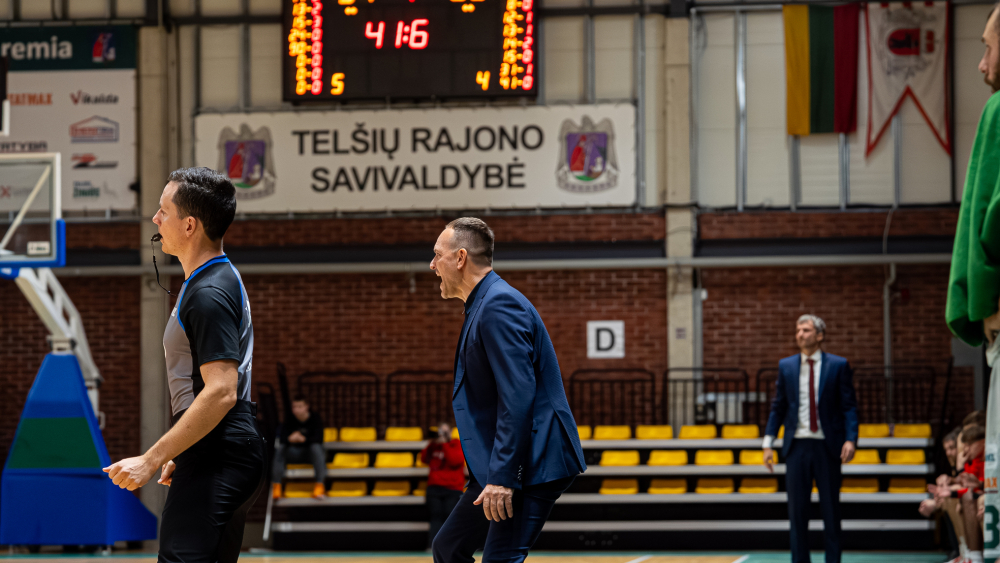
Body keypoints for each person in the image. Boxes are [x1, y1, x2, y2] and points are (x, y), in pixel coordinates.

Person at [102, 167, 264, 563]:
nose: (155, 219)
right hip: (220, 446)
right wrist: (187, 445)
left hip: (220, 452)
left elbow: (221, 391)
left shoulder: (208, 292)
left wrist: (151, 458)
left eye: (163, 210)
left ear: (189, 225)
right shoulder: (215, 277)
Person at [428, 217, 587, 563]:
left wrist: (502, 477)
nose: (432, 264)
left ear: (460, 258)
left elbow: (517, 396)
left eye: (437, 255)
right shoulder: (484, 303)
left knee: (499, 559)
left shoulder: (499, 304)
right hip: (506, 463)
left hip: (532, 461)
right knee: (448, 547)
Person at [948, 5, 1000, 561]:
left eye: (988, 46)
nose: (982, 64)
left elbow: (991, 215)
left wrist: (979, 299)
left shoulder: (999, 110)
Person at [762, 314, 858, 563]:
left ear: (819, 335)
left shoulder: (838, 365)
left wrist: (851, 439)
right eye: (798, 330)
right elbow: (778, 406)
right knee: (797, 513)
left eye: (805, 330)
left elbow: (849, 406)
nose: (800, 334)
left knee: (831, 510)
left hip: (827, 446)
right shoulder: (786, 366)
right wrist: (768, 442)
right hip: (797, 446)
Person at [271, 395, 326, 500]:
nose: (296, 409)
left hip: (312, 455)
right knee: (280, 448)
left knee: (316, 447)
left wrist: (304, 439)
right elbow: (282, 438)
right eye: (294, 407)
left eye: (300, 406)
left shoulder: (315, 418)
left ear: (307, 406)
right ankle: (276, 487)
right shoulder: (289, 418)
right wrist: (290, 439)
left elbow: (319, 438)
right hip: (294, 454)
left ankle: (319, 486)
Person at [420, 421, 466, 546]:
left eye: (444, 432)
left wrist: (445, 444)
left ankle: (450, 545)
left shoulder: (456, 444)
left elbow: (454, 461)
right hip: (434, 487)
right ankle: (433, 545)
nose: (441, 434)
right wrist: (431, 443)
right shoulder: (434, 446)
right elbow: (424, 458)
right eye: (440, 431)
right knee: (435, 517)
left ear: (450, 432)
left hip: (453, 488)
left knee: (450, 517)